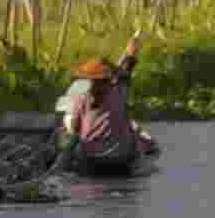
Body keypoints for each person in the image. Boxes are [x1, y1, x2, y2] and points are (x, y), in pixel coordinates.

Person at [56, 36, 155, 175]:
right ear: (109, 80)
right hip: (120, 159)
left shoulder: (82, 99)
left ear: (89, 80)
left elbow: (75, 129)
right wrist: (130, 52)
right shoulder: (119, 93)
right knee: (132, 137)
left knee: (73, 141)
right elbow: (126, 71)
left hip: (92, 159)